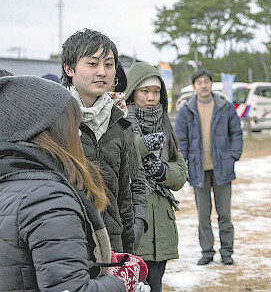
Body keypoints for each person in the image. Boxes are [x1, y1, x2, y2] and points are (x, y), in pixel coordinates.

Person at [0, 76, 148, 292]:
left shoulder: (12, 182)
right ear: (49, 129)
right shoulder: (48, 200)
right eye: (73, 124)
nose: (78, 133)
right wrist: (122, 281)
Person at [60, 28, 148, 254]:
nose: (102, 72)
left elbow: (133, 185)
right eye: (92, 64)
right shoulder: (54, 120)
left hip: (112, 243)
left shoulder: (120, 121)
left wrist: (136, 230)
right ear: (68, 68)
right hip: (67, 242)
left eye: (109, 65)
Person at [124, 62, 187, 292]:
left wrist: (161, 171)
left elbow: (180, 174)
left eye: (156, 91)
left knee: (155, 286)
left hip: (160, 226)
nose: (151, 97)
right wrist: (141, 147)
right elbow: (120, 159)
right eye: (145, 91)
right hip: (132, 222)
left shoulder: (164, 124)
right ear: (132, 92)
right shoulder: (119, 122)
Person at [175, 69, 243, 265]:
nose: (203, 85)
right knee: (203, 216)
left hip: (222, 168)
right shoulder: (187, 110)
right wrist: (184, 163)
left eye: (207, 81)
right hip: (198, 170)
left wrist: (233, 156)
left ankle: (227, 253)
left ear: (211, 84)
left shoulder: (225, 107)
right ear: (194, 86)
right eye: (199, 82)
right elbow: (181, 140)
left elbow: (236, 133)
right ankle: (207, 252)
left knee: (225, 214)